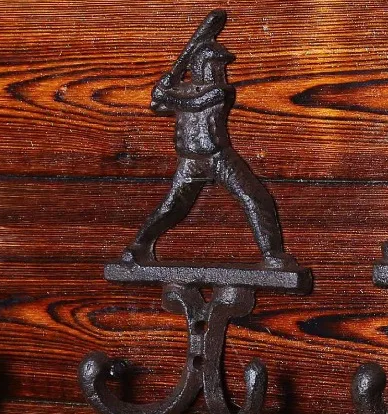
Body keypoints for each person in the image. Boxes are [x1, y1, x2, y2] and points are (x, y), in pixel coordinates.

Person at [122, 34, 296, 269]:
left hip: (218, 158)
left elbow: (195, 103)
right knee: (173, 207)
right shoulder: (182, 90)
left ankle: (272, 254)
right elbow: (157, 106)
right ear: (199, 66)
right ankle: (138, 247)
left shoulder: (220, 91)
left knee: (254, 197)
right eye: (214, 64)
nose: (218, 70)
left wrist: (165, 92)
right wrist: (160, 90)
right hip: (190, 161)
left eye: (220, 66)